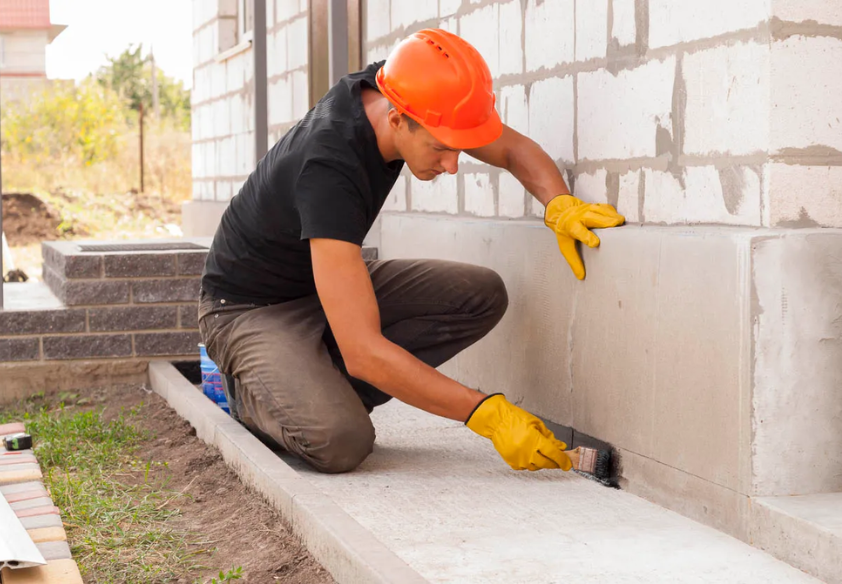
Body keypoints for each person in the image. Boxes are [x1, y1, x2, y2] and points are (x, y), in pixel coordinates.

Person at [198, 28, 624, 474]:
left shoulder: (407, 90)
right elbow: (363, 352)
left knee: (478, 294)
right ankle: (257, 396)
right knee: (339, 442)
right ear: (397, 119)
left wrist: (559, 204)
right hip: (248, 310)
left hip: (318, 286)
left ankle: (320, 388)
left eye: (458, 149)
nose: (452, 165)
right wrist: (487, 414)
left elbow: (512, 148)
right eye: (440, 148)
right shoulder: (328, 171)